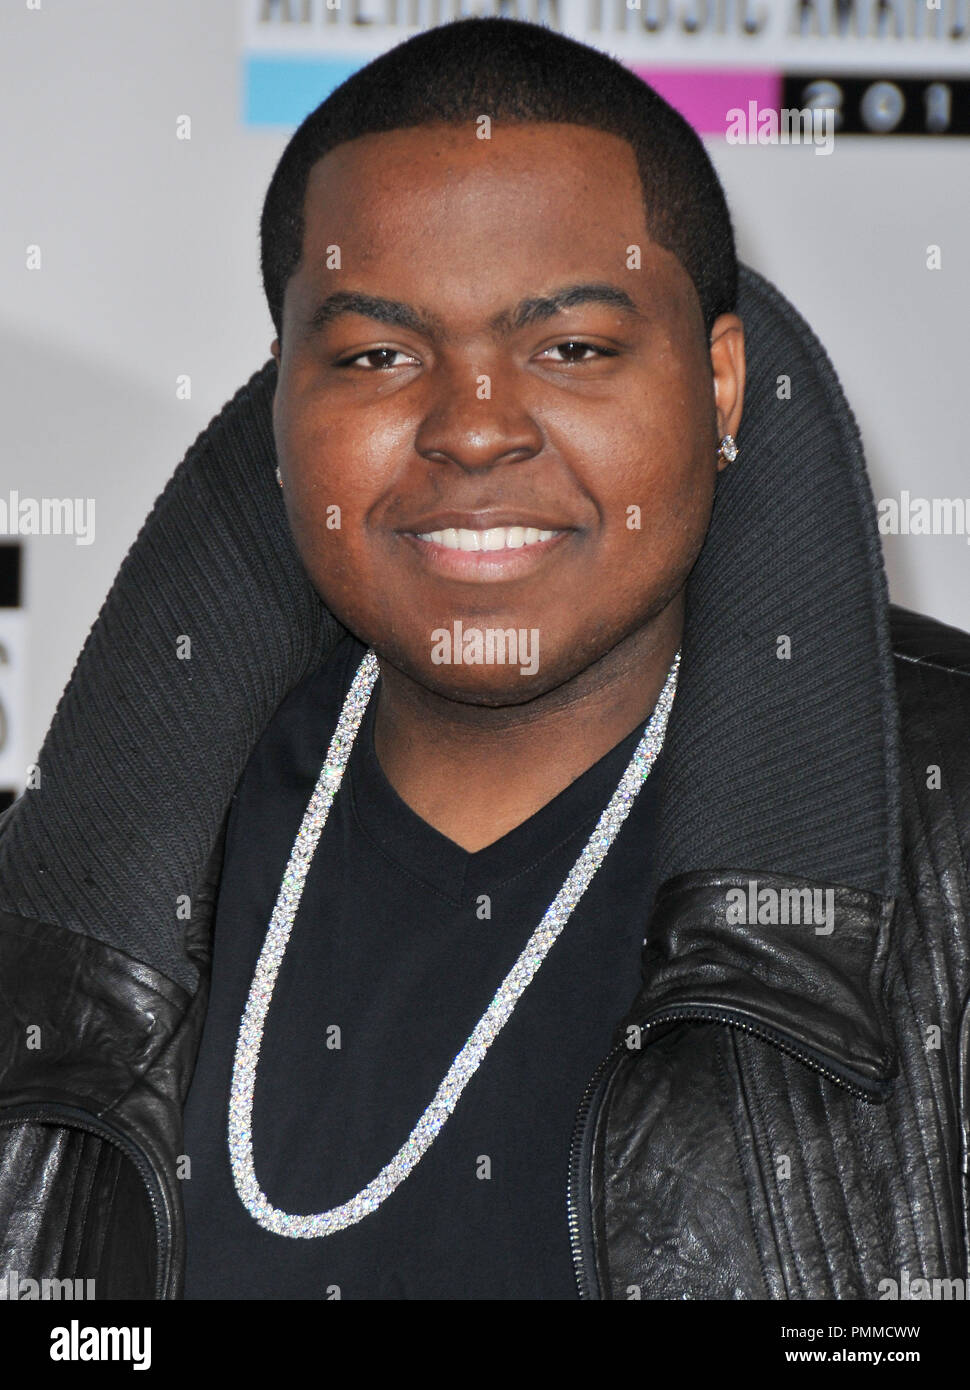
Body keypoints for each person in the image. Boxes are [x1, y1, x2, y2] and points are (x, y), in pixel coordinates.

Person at [1, 16, 968, 1303]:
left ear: (720, 384)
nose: (471, 429)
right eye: (379, 356)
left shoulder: (948, 833)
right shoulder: (86, 898)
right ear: (281, 409)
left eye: (569, 348)